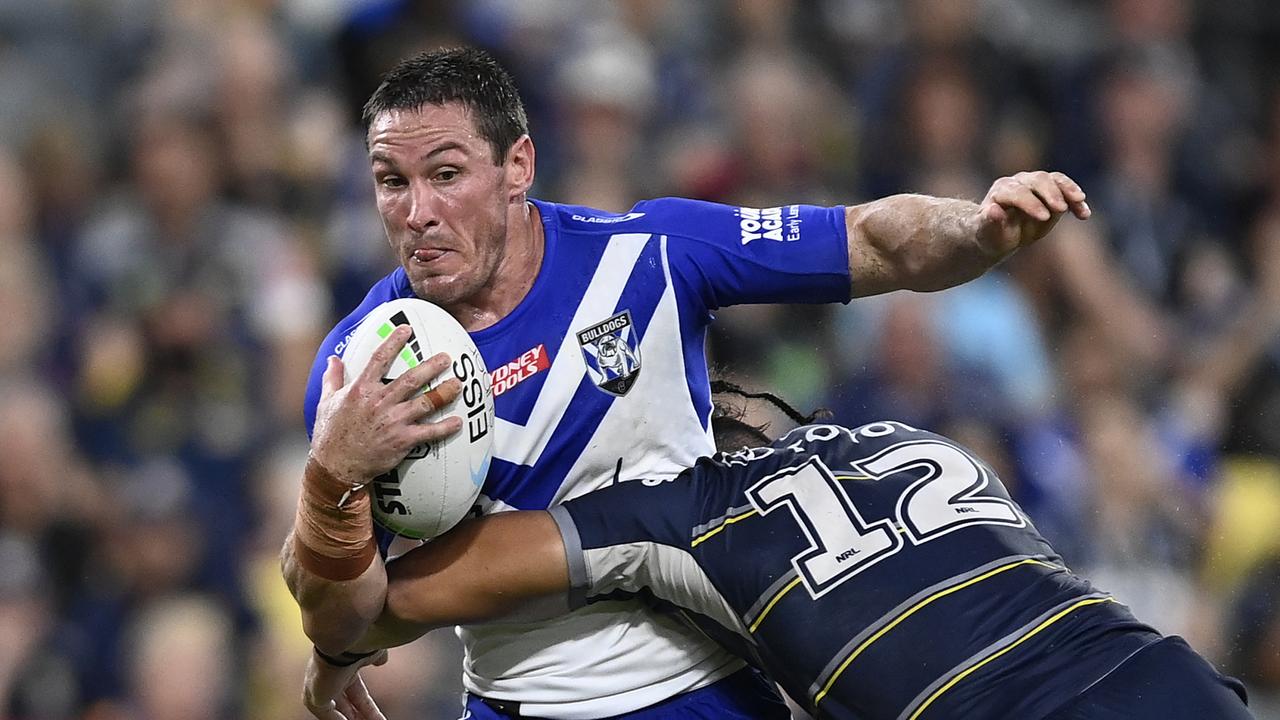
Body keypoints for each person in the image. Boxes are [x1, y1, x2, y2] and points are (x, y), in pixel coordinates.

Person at [281, 46, 1092, 719]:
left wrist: (979, 227)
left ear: (517, 165)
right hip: (516, 699)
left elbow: (872, 239)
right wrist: (332, 478)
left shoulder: (649, 254)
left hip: (709, 685)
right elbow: (345, 616)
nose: (417, 211)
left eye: (446, 173)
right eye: (392, 182)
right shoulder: (362, 368)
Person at [303, 384, 1254, 720]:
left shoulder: (685, 511)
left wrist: (331, 516)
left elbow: (402, 595)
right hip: (1166, 676)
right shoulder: (912, 438)